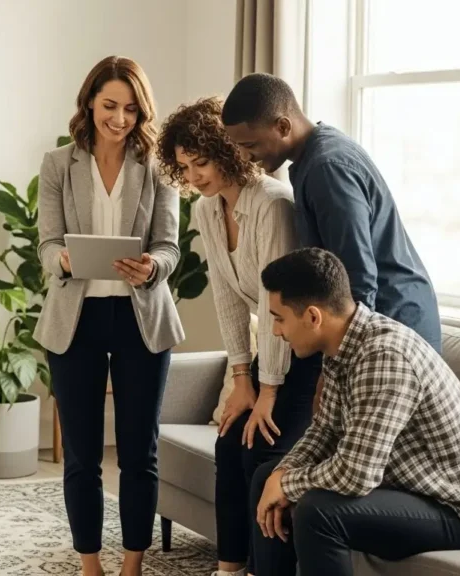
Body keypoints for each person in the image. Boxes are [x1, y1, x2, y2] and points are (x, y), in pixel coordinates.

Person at [250, 247, 460, 576]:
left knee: (318, 511)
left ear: (313, 317)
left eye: (279, 318)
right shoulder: (341, 345)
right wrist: (282, 475)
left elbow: (356, 474)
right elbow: (325, 430)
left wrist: (289, 484)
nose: (277, 331)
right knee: (267, 476)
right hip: (417, 492)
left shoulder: (385, 356)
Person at [156, 96, 320, 576]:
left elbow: (278, 301)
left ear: (227, 149)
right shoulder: (207, 211)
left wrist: (269, 390)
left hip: (301, 355)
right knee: (229, 443)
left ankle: (263, 568)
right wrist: (242, 378)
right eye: (184, 167)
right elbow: (227, 299)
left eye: (201, 162)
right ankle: (230, 568)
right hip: (265, 353)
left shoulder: (272, 204)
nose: (194, 177)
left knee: (262, 452)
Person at [34, 55, 184, 576]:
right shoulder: (57, 164)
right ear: (89, 104)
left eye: (130, 108)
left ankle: (133, 564)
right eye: (109, 106)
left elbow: (169, 246)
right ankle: (90, 564)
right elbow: (47, 244)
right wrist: (64, 259)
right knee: (81, 455)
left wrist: (152, 268)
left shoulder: (160, 168)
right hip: (76, 320)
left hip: (141, 319)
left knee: (139, 451)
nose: (119, 119)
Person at [220, 73, 442, 355]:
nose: (243, 156)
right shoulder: (314, 158)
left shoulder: (327, 168)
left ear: (283, 126)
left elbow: (357, 277)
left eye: (250, 145)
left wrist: (338, 363)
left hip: (394, 326)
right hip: (387, 322)